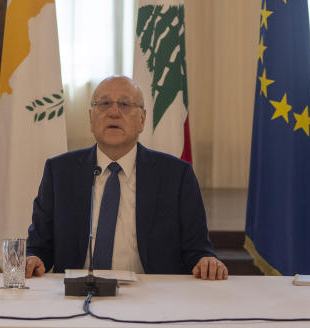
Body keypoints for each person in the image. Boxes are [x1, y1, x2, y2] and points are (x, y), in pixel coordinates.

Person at [25, 75, 227, 280]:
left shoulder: (176, 176)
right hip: (77, 296)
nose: (114, 112)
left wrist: (206, 261)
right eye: (104, 104)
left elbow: (198, 251)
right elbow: (39, 248)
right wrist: (34, 258)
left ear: (142, 119)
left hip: (154, 299)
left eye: (125, 104)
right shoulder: (60, 172)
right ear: (91, 118)